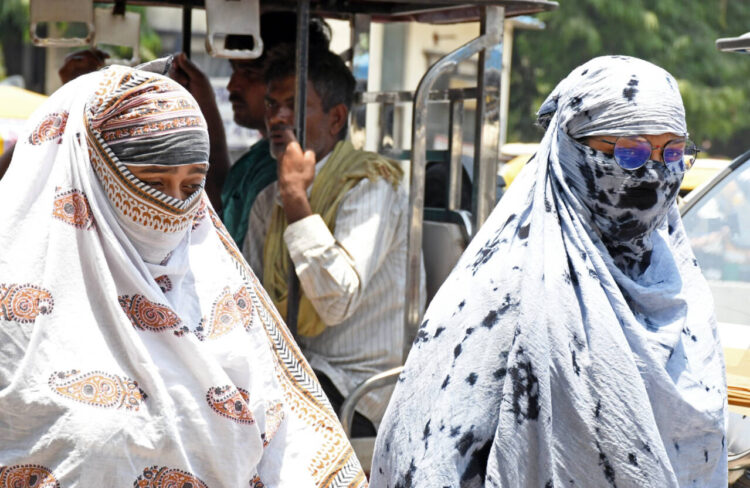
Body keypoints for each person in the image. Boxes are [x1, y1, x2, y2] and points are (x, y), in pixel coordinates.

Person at [0, 63, 367, 486]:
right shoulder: (19, 313)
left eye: (190, 187)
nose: (171, 208)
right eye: (152, 183)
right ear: (92, 181)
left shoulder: (217, 293)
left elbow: (286, 450)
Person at [370, 55, 727, 487]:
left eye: (672, 153)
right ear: (571, 150)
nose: (654, 173)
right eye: (630, 152)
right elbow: (427, 456)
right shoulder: (507, 286)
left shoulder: (680, 286)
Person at [244, 45, 423, 437]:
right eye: (273, 105)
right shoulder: (266, 201)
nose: (278, 118)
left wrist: (296, 200)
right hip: (295, 369)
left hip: (358, 390)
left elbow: (336, 300)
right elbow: (251, 300)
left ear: (336, 117)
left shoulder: (372, 186)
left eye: (293, 106)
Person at [169, 12, 331, 247]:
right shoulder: (263, 156)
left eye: (248, 73)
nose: (232, 85)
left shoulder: (288, 166)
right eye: (234, 70)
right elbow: (221, 207)